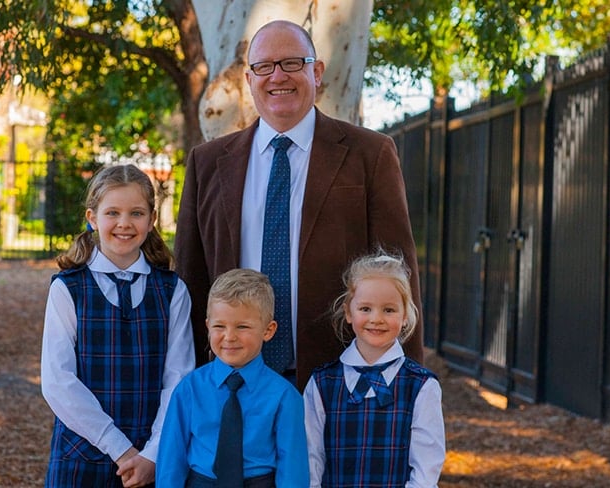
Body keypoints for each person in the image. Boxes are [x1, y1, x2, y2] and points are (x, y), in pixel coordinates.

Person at [174, 19, 423, 389]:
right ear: (248, 78)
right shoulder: (208, 163)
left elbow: (399, 276)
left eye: (292, 63)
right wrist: (189, 386)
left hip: (339, 383)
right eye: (264, 66)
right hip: (233, 383)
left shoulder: (369, 155)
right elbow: (190, 282)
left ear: (317, 72)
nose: (278, 76)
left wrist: (409, 386)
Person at [41, 164, 195, 488]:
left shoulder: (172, 290)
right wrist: (121, 450)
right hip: (80, 458)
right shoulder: (67, 289)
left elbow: (179, 379)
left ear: (152, 220)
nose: (124, 224)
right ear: (92, 217)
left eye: (136, 213)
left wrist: (152, 455)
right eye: (112, 212)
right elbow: (57, 381)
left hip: (152, 460)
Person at [303, 249, 445, 487]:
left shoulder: (421, 386)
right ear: (349, 312)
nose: (376, 318)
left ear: (405, 316)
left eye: (389, 310)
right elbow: (311, 457)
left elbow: (425, 468)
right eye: (365, 309)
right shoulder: (321, 383)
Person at [156, 268, 309, 487]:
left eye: (242, 327)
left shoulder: (285, 396)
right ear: (208, 326)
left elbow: (293, 470)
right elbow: (171, 458)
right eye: (219, 326)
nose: (229, 337)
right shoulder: (189, 388)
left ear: (268, 330)